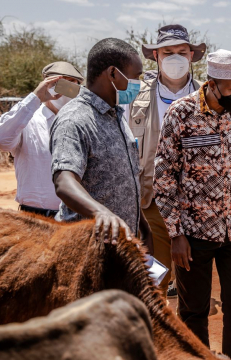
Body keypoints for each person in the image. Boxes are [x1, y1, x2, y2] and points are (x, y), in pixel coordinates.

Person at [153, 49, 231, 359]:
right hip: (193, 234)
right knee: (193, 311)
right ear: (213, 83)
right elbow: (164, 177)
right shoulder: (182, 113)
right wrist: (176, 234)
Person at [50, 38, 153, 252]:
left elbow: (126, 179)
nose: (138, 83)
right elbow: (64, 181)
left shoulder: (116, 115)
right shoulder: (75, 119)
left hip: (121, 248)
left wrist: (143, 227)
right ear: (113, 73)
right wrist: (101, 213)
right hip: (87, 250)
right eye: (136, 76)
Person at [126, 24, 206, 296]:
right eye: (167, 52)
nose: (175, 58)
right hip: (151, 204)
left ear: (192, 56)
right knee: (153, 280)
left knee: (193, 284)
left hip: (197, 205)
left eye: (181, 52)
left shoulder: (207, 97)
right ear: (156, 57)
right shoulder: (134, 96)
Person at [0, 62, 84, 217]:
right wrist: (35, 98)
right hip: (35, 218)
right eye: (59, 83)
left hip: (76, 219)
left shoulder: (83, 121)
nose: (65, 89)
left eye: (72, 84)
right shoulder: (27, 120)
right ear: (45, 84)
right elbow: (0, 139)